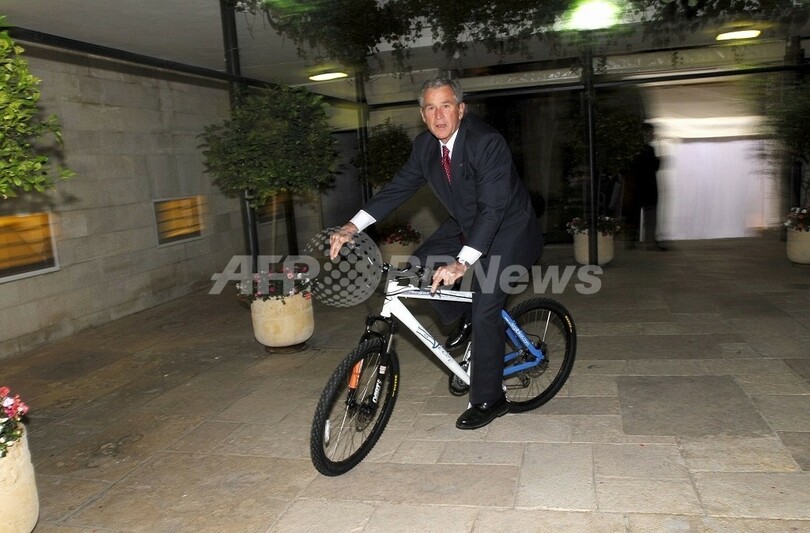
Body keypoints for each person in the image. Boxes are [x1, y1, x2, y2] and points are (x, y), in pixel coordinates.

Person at [329, 76, 542, 430]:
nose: (439, 115)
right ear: (422, 114)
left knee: (486, 304)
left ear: (461, 109)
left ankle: (490, 399)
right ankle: (463, 317)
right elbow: (398, 188)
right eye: (431, 108)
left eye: (446, 106)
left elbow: (492, 210)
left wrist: (462, 263)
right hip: (467, 225)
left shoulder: (486, 142)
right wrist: (353, 225)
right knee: (419, 267)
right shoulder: (426, 147)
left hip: (510, 231)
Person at [623, 122, 665, 250]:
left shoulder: (631, 150)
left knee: (633, 216)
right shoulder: (648, 150)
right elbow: (654, 166)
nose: (653, 135)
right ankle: (650, 242)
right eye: (651, 133)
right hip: (648, 187)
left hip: (635, 187)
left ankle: (631, 241)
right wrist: (660, 158)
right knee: (649, 216)